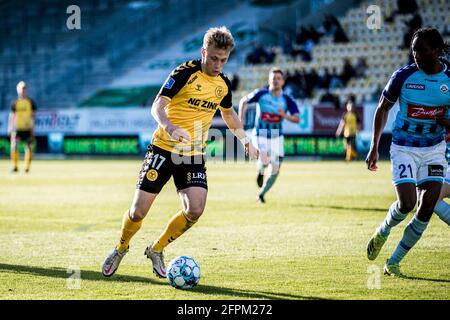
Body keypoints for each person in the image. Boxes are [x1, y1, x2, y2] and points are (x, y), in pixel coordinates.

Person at [102, 26, 258, 278]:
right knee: (137, 212)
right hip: (163, 149)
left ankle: (156, 248)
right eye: (214, 58)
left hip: (192, 154)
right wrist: (170, 126)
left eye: (224, 60)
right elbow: (157, 105)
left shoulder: (223, 84)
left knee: (195, 209)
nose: (219, 64)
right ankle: (121, 248)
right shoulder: (185, 73)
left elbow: (228, 113)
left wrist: (244, 139)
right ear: (204, 51)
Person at [365, 27, 450, 277]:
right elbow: (382, 109)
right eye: (413, 50)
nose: (416, 55)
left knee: (426, 207)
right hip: (404, 148)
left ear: (436, 50)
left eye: (421, 50)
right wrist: (373, 147)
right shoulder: (403, 76)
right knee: (407, 203)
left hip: (434, 149)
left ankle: (393, 262)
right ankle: (384, 230)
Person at [238, 68, 300, 204]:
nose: (276, 80)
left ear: (283, 82)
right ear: (269, 80)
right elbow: (243, 101)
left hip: (277, 136)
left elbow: (297, 118)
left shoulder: (287, 99)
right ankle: (260, 170)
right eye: (273, 78)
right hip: (261, 134)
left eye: (278, 78)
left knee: (276, 170)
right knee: (265, 159)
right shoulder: (262, 94)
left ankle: (261, 194)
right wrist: (241, 119)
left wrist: (285, 115)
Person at [7, 81, 36, 173]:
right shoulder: (15, 103)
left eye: (24, 88)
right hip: (17, 128)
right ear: (18, 90)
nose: (23, 90)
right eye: (21, 88)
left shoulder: (30, 102)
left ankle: (27, 167)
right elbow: (12, 116)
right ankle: (15, 166)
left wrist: (33, 126)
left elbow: (33, 115)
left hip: (27, 128)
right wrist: (10, 127)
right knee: (14, 145)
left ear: (26, 90)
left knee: (28, 147)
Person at [335, 96, 360, 161]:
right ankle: (356, 156)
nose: (350, 108)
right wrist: (338, 131)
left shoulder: (355, 115)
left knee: (350, 146)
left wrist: (358, 130)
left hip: (353, 132)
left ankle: (348, 158)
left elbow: (358, 124)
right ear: (347, 107)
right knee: (347, 146)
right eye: (349, 106)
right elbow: (342, 124)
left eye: (351, 106)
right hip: (346, 133)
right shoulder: (345, 115)